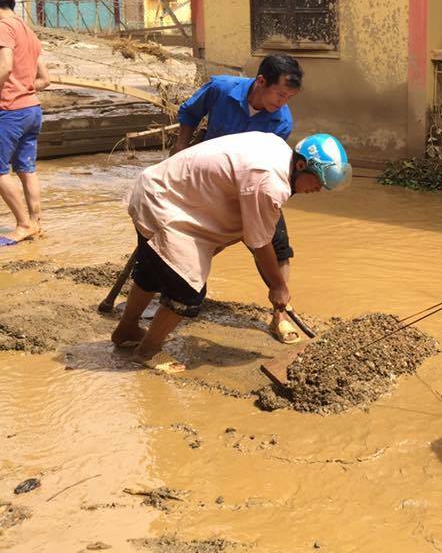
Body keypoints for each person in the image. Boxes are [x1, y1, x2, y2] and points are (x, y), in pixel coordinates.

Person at [111, 132, 352, 372]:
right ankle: (147, 351)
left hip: (161, 189)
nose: (319, 189)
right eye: (318, 182)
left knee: (154, 273)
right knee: (187, 290)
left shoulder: (277, 148)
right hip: (166, 204)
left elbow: (238, 211)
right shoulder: (268, 183)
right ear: (301, 165)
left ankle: (126, 330)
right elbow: (259, 244)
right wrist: (278, 286)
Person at [172, 54, 302, 343]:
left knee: (275, 244)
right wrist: (180, 147)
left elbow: (270, 168)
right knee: (199, 241)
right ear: (260, 81)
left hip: (251, 188)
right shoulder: (221, 89)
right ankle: (180, 295)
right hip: (207, 184)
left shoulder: (281, 121)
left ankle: (279, 314)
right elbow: (189, 113)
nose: (282, 102)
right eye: (280, 93)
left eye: (289, 97)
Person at [0, 0, 50, 244]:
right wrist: (24, 89)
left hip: (10, 111)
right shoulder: (28, 30)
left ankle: (22, 224)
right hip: (32, 109)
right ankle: (35, 223)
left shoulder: (3, 27)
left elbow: (6, 67)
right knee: (25, 168)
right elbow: (45, 78)